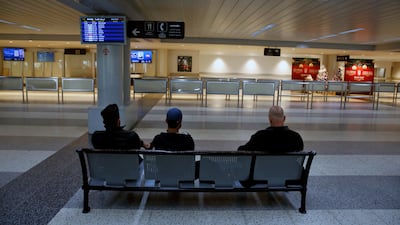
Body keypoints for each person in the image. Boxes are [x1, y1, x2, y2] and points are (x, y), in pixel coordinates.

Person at [238, 105, 303, 152]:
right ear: (284, 118)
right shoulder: (296, 137)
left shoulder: (259, 137)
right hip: (288, 170)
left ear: (269, 119)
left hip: (263, 170)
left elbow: (242, 151)